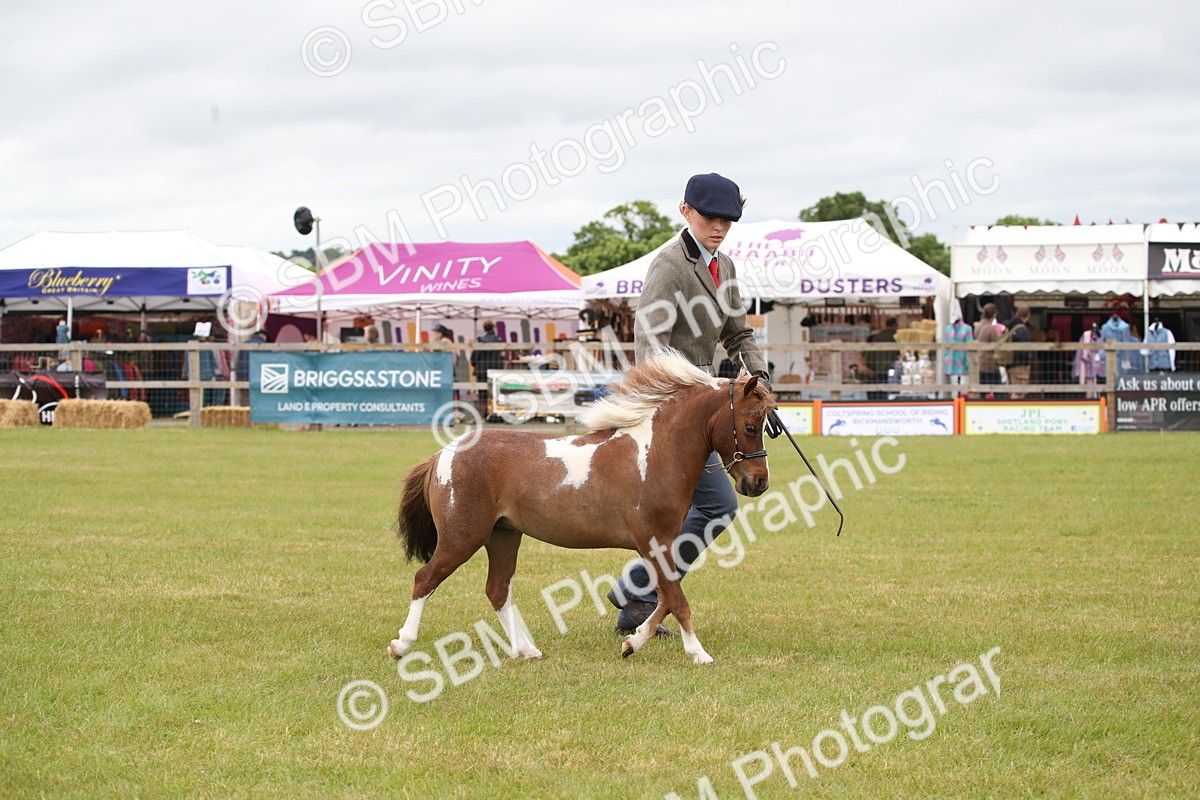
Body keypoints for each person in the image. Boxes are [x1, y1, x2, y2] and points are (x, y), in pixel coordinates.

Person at [607, 172, 774, 637]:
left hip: (700, 411)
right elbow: (650, 336)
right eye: (709, 218)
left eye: (727, 220)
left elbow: (738, 334)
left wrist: (757, 380)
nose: (718, 227)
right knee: (717, 506)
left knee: (711, 508)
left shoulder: (727, 268)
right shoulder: (670, 265)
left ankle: (636, 596)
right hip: (670, 409)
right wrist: (671, 398)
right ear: (685, 212)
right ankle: (638, 592)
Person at [469, 320, 503, 416]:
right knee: (495, 393)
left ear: (484, 329)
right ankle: (495, 415)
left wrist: (477, 365)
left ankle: (482, 414)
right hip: (495, 371)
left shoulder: (480, 341)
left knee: (482, 395)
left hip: (482, 371)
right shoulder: (499, 341)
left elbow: (474, 359)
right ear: (493, 327)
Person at [864, 317, 899, 399]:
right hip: (892, 371)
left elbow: (869, 355)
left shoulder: (877, 337)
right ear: (895, 325)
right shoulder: (896, 337)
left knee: (879, 396)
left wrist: (870, 368)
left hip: (878, 371)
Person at [1005, 306, 1034, 399]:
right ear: (1028, 316)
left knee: (1013, 390)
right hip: (1020, 366)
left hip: (1010, 364)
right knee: (1019, 392)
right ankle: (1015, 411)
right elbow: (1023, 349)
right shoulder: (1023, 330)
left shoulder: (1010, 327)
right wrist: (1027, 360)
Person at [977, 303, 1001, 396]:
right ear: (994, 315)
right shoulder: (991, 329)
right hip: (990, 364)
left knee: (982, 389)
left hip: (979, 362)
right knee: (998, 388)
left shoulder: (978, 326)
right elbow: (996, 345)